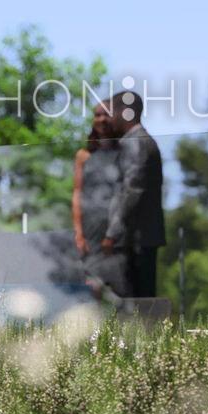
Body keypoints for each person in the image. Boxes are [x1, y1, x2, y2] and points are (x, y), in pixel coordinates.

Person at [100, 91, 165, 298]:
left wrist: (112, 233)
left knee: (134, 302)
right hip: (135, 237)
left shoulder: (136, 142)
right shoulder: (134, 141)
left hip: (134, 239)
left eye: (111, 113)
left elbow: (132, 190)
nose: (109, 120)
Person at [73, 103, 127, 297]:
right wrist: (78, 232)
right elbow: (77, 193)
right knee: (91, 279)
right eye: (97, 115)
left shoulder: (123, 152)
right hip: (91, 226)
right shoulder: (83, 155)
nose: (101, 119)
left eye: (106, 115)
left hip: (116, 223)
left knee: (118, 280)